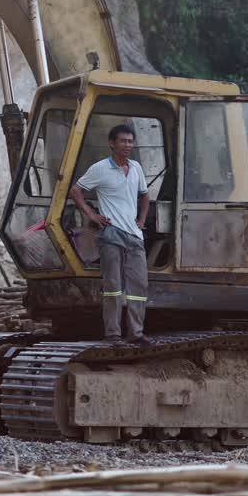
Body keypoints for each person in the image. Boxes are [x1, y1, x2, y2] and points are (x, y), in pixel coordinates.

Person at [70, 124, 150, 344]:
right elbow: (76, 191)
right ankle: (113, 334)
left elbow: (145, 195)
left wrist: (141, 220)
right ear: (112, 143)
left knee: (138, 287)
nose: (127, 145)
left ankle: (136, 333)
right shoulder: (100, 168)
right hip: (111, 234)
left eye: (130, 141)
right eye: (123, 141)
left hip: (134, 235)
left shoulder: (136, 168)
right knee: (113, 287)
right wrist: (92, 216)